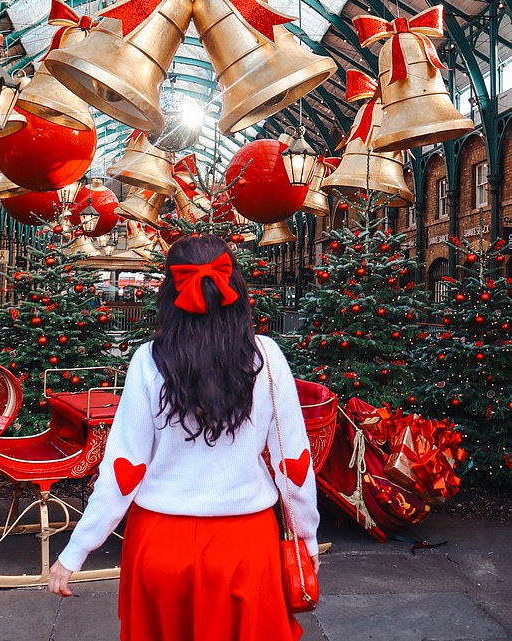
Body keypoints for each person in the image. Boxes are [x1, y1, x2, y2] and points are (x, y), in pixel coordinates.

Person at [48, 234, 320, 641]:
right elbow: (292, 465)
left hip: (159, 543)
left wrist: (76, 551)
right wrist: (307, 540)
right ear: (235, 289)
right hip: (245, 546)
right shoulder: (267, 358)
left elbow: (124, 468)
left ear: (170, 293)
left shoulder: (148, 360)